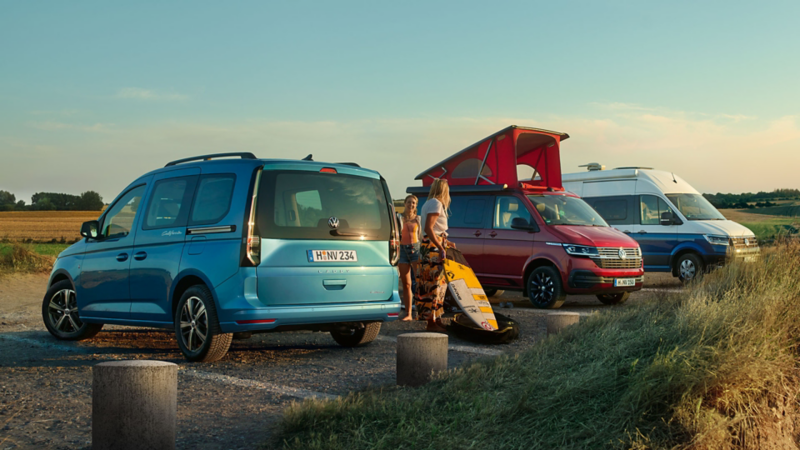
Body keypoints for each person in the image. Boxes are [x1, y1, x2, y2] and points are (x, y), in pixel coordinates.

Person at [415, 178, 452, 332]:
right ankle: (431, 323)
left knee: (436, 284)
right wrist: (440, 246)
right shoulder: (436, 203)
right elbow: (429, 229)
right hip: (432, 249)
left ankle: (437, 319)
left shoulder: (428, 203)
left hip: (430, 246)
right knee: (434, 284)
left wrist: (446, 243)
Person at [397, 195, 421, 321]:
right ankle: (408, 313)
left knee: (419, 281)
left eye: (413, 203)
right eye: (409, 202)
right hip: (402, 250)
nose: (411, 205)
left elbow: (423, 234)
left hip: (415, 250)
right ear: (404, 203)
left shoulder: (418, 219)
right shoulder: (399, 218)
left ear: (416, 206)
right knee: (406, 284)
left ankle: (421, 310)